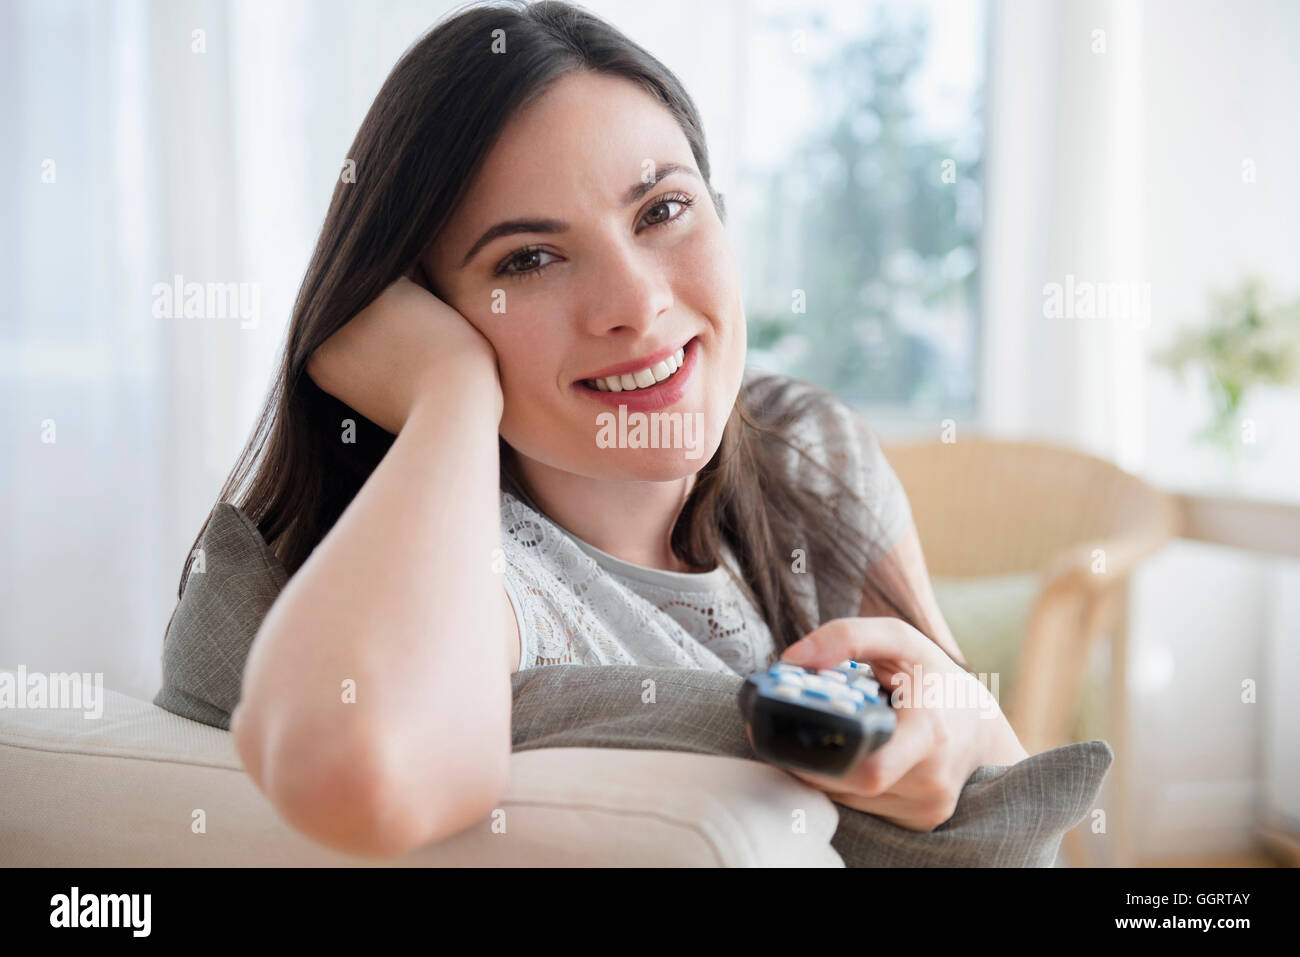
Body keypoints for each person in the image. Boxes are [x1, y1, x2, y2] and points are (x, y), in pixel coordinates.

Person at [159, 0, 1028, 860]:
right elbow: (356, 771)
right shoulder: (496, 581)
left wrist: (963, 726)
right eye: (527, 260)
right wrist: (449, 392)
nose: (636, 303)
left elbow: (1012, 802)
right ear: (426, 310)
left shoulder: (812, 446)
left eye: (661, 210)